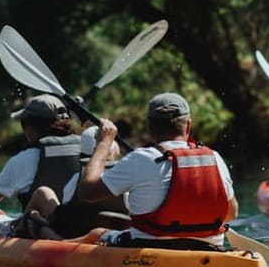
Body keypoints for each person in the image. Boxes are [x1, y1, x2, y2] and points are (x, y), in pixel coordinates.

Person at [76, 92, 238, 251]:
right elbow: (231, 214)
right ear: (188, 125)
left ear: (151, 128)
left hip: (150, 250)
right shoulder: (214, 157)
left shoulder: (139, 158)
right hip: (210, 249)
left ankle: (52, 246)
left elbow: (87, 192)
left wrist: (104, 143)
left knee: (97, 234)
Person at [0, 94, 121, 239]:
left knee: (39, 197)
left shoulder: (25, 159)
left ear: (30, 126)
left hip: (54, 230)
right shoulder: (91, 149)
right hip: (90, 225)